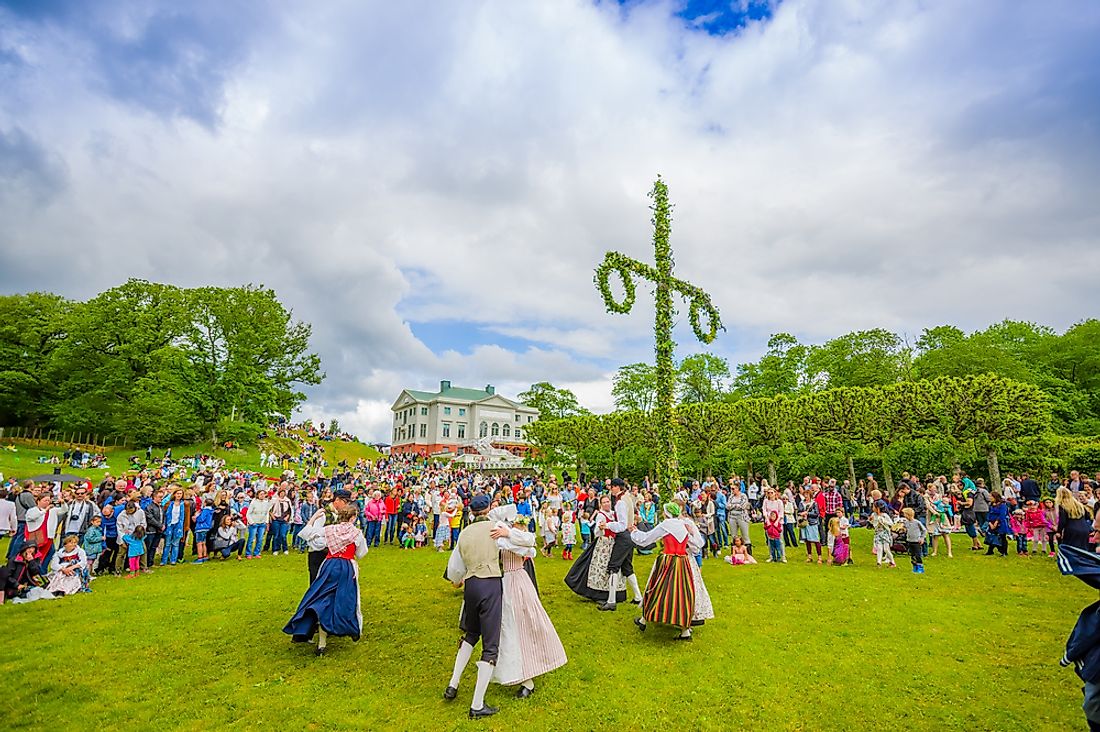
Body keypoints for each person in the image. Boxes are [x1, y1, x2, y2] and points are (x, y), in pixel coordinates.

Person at [488, 508, 567, 698]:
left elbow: (530, 545)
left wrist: (509, 534)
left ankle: (531, 670)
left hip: (519, 580)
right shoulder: (499, 538)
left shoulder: (511, 535)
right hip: (506, 580)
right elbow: (522, 547)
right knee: (509, 626)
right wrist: (509, 537)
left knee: (526, 622)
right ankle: (518, 671)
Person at [443, 494, 509, 720]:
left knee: (471, 634)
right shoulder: (496, 527)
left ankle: (453, 683)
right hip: (490, 582)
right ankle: (477, 704)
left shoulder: (464, 533)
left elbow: (454, 570)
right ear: (489, 508)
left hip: (470, 584)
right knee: (490, 645)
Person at [284, 505, 368, 656]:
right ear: (353, 518)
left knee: (322, 600)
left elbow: (307, 534)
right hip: (347, 567)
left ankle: (321, 642)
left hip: (329, 566)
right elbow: (362, 553)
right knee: (346, 599)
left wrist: (314, 517)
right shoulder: (356, 533)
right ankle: (349, 628)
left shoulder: (330, 529)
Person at [630, 502, 704, 640]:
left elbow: (645, 540)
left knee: (656, 589)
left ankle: (645, 620)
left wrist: (633, 531)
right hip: (683, 562)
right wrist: (692, 532)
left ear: (667, 513)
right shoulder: (684, 524)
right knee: (682, 594)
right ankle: (684, 630)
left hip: (668, 561)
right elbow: (697, 546)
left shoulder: (666, 525)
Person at [564, 495, 626, 605]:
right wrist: (602, 529)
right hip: (603, 544)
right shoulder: (600, 516)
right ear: (601, 505)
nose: (607, 504)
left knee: (612, 569)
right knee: (601, 568)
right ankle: (598, 593)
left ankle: (613, 593)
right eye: (604, 502)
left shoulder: (612, 514)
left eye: (608, 502)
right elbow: (597, 532)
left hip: (613, 543)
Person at [598, 479, 642, 612]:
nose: (610, 489)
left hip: (623, 537)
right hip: (630, 536)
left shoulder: (620, 502)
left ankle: (611, 601)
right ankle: (638, 596)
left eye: (611, 487)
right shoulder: (628, 497)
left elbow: (622, 525)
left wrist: (607, 525)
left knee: (613, 567)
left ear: (617, 487)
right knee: (627, 567)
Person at [1057, 487, 1094, 551]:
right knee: (1083, 550)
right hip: (1084, 528)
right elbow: (1088, 516)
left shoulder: (1063, 506)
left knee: (1070, 550)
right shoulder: (1079, 504)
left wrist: (1059, 532)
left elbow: (1062, 521)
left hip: (1071, 529)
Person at [870, 501, 896, 568]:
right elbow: (872, 522)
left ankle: (892, 562)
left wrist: (884, 521)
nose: (873, 508)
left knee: (886, 549)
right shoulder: (873, 515)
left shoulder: (885, 515)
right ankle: (879, 562)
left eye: (874, 506)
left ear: (878, 508)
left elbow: (891, 523)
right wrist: (871, 521)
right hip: (878, 533)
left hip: (885, 533)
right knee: (879, 548)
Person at [901, 507, 927, 574]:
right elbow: (906, 529)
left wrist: (922, 537)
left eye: (905, 514)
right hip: (910, 541)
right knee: (912, 555)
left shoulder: (917, 522)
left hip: (916, 541)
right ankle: (914, 566)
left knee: (917, 554)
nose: (904, 516)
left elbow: (924, 530)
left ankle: (920, 567)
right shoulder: (906, 522)